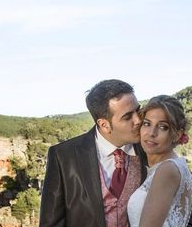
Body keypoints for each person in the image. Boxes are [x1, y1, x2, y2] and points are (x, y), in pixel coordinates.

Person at [39, 79, 145, 227]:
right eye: (127, 117)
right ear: (104, 125)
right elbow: (51, 223)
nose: (138, 120)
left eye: (138, 110)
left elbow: (184, 206)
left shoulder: (150, 149)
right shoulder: (64, 156)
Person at [127, 95, 192, 227]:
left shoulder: (167, 170)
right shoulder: (174, 164)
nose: (152, 133)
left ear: (177, 134)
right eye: (147, 124)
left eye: (163, 127)